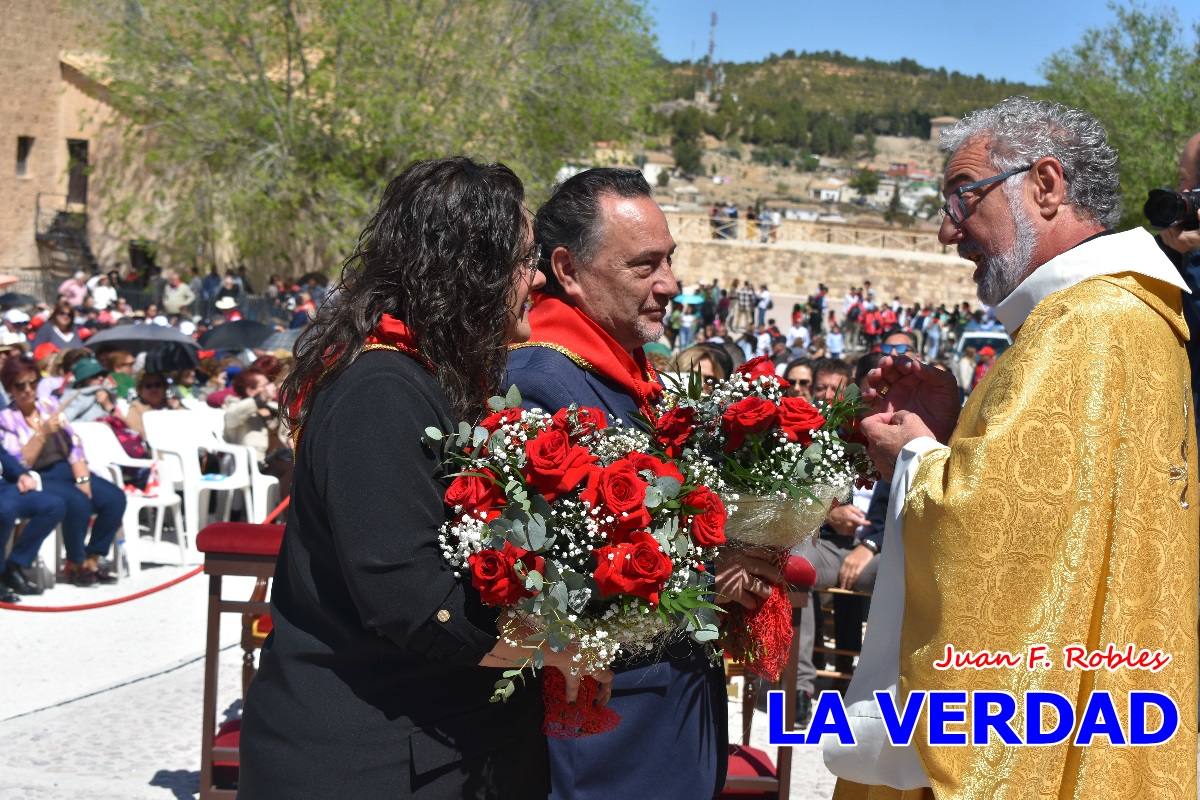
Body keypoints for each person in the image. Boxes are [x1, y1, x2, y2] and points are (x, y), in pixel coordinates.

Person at [836, 97, 1197, 797]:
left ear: (1047, 185)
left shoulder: (1086, 323)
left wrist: (911, 458)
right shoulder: (1119, 314)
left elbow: (995, 533)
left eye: (964, 197)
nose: (949, 231)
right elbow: (1055, 516)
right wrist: (948, 426)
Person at [239, 157, 605, 799]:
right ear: (473, 270)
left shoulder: (442, 378)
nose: (537, 278)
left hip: (445, 752)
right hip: (370, 765)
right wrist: (554, 645)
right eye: (522, 259)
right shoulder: (380, 391)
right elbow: (414, 602)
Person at [507, 167, 776, 800]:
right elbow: (560, 580)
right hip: (608, 737)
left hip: (661, 720)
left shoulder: (618, 371)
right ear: (568, 269)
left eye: (670, 262)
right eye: (644, 266)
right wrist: (716, 572)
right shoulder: (542, 383)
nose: (670, 285)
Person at [0, 355, 126, 586]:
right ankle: (75, 563)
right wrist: (43, 433)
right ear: (10, 388)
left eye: (33, 383)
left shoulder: (47, 406)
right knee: (78, 502)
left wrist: (83, 477)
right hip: (38, 475)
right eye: (21, 385)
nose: (28, 390)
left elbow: (74, 443)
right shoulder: (6, 419)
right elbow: (19, 462)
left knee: (114, 498)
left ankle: (92, 558)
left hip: (65, 468)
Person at [0, 445, 67, 600]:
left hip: (6, 488)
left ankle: (16, 564)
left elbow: (4, 456)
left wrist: (21, 475)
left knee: (53, 506)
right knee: (4, 512)